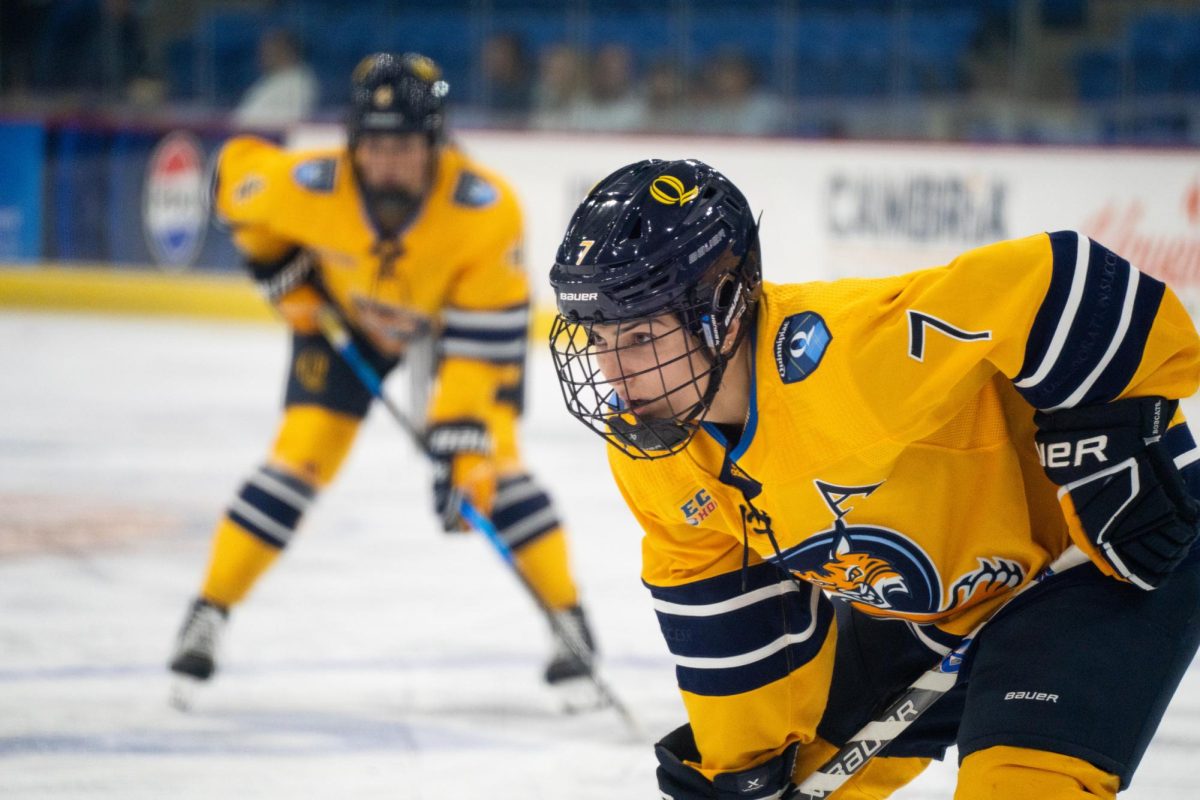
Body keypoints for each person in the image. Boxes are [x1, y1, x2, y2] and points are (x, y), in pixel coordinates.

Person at [548, 158, 1200, 799]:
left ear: (721, 306)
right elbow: (726, 607)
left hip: (1095, 552)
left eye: (637, 337)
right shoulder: (653, 455)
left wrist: (1112, 440)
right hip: (934, 602)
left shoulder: (847, 362)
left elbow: (1058, 279)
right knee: (800, 779)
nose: (614, 375)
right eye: (597, 340)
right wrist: (745, 767)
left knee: (1021, 786)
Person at [169, 53, 598, 704]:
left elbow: (480, 349)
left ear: (435, 144)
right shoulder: (308, 185)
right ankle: (209, 611)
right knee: (300, 457)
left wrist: (460, 439)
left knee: (494, 469)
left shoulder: (485, 210)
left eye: (403, 146)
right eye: (373, 144)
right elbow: (233, 177)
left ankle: (568, 620)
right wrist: (275, 267)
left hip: (455, 332)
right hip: (347, 320)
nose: (385, 161)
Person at [232, 29, 318, 129]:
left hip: (268, 141)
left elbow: (285, 123)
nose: (263, 55)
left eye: (271, 49)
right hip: (242, 137)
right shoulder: (273, 78)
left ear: (287, 51)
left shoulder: (300, 83)